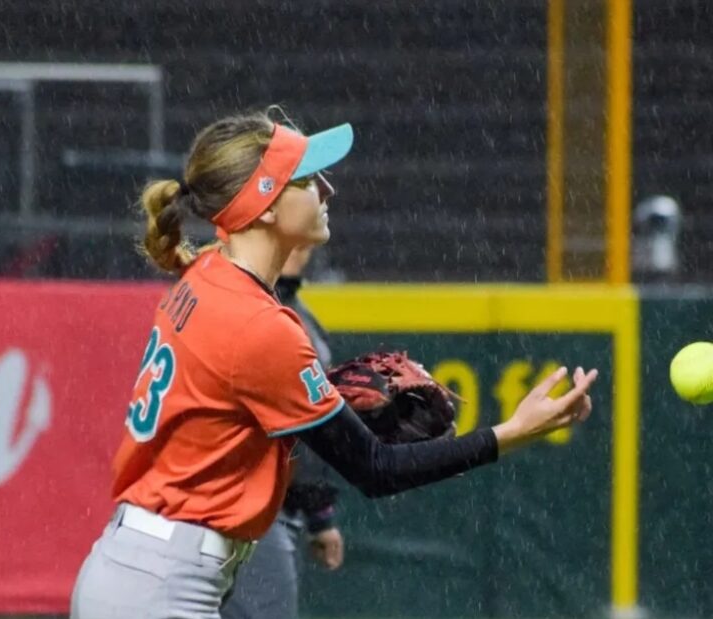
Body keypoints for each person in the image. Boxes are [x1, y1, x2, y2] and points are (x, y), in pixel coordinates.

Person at [68, 108, 598, 619]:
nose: (326, 190)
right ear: (266, 205)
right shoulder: (258, 325)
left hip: (144, 567)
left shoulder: (209, 273)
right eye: (304, 178)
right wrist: (510, 434)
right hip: (163, 586)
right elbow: (376, 470)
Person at [220, 245, 344, 619]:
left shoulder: (295, 313)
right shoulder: (259, 314)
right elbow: (303, 431)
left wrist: (319, 513)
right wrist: (320, 514)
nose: (301, 250)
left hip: (263, 505)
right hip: (249, 503)